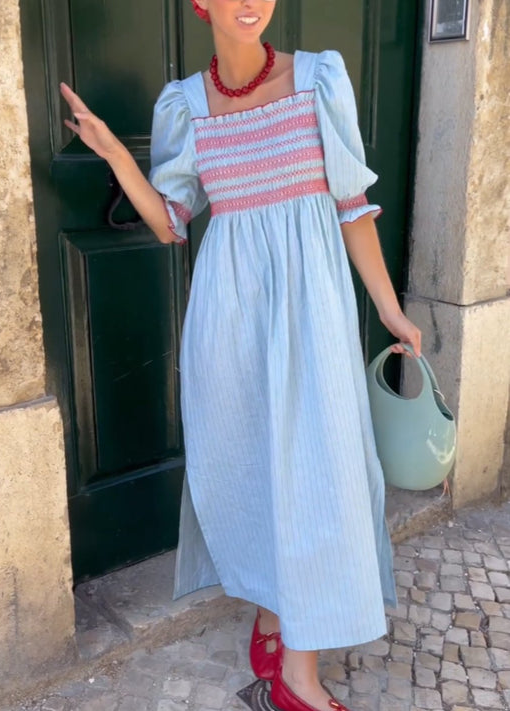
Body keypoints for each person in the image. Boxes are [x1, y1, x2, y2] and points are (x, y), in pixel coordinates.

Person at [61, 1, 422, 709]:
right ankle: (270, 609)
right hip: (228, 323)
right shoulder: (184, 105)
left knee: (321, 474)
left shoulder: (320, 78)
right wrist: (110, 151)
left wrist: (386, 306)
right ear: (200, 4)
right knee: (253, 469)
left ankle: (295, 673)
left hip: (311, 317)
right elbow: (171, 223)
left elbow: (351, 205)